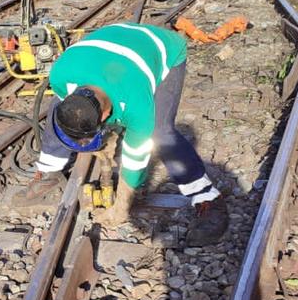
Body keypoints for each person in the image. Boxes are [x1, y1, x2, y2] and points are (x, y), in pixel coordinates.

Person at [16, 22, 228, 247]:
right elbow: (68, 107)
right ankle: (48, 171)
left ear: (107, 113)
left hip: (163, 48)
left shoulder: (137, 104)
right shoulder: (59, 75)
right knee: (60, 110)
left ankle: (208, 198)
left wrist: (121, 206)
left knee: (161, 132)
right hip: (108, 43)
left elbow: (137, 156)